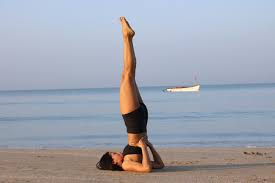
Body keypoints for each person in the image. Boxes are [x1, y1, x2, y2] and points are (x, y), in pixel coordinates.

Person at [96, 17, 164, 173]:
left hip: (141, 119)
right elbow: (147, 169)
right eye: (113, 155)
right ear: (114, 163)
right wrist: (144, 148)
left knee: (130, 76)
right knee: (127, 75)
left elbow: (159, 165)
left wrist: (150, 147)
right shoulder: (126, 165)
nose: (116, 153)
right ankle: (127, 37)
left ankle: (128, 38)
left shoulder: (129, 160)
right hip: (134, 121)